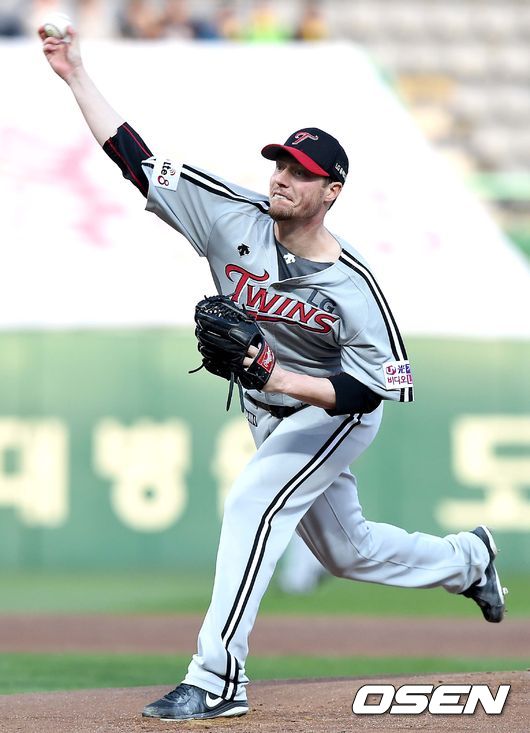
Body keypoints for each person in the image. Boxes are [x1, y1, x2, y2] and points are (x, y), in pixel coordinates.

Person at [39, 26, 507, 722]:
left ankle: (217, 677)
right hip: (269, 408)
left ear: (332, 191)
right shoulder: (229, 213)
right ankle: (467, 560)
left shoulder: (353, 285)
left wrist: (280, 378)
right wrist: (76, 73)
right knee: (348, 552)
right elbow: (135, 160)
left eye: (301, 171)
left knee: (253, 502)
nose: (283, 176)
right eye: (280, 164)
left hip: (332, 410)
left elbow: (371, 387)